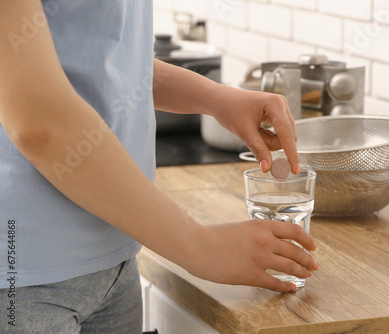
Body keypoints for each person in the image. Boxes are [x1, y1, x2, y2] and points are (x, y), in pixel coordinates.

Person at [0, 1, 318, 333]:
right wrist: (201, 246)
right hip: (23, 279)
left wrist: (214, 97)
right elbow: (39, 122)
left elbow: (97, 56)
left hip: (116, 262)